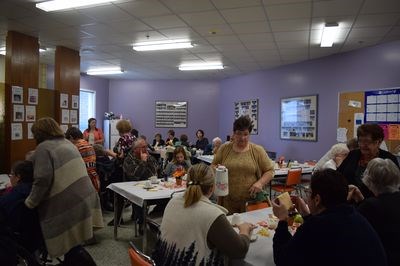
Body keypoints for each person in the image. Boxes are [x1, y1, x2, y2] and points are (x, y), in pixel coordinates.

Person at [24, 117, 103, 263]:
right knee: (74, 244)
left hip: (69, 200)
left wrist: (30, 202)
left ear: (39, 133)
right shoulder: (67, 143)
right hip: (86, 195)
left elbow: (42, 180)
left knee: (41, 227)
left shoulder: (44, 148)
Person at [272, 169, 388, 266]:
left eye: (308, 192)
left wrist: (282, 220)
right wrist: (307, 215)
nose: (307, 197)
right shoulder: (355, 215)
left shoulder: (316, 226)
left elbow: (282, 259)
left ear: (317, 199)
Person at [153, 163, 255, 265]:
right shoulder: (212, 214)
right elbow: (239, 251)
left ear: (187, 183)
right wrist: (244, 230)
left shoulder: (173, 202)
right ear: (212, 188)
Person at [212, 116, 274, 214]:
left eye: (245, 134)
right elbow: (213, 165)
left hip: (251, 201)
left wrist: (260, 183)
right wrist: (217, 170)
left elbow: (270, 171)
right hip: (227, 200)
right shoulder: (225, 148)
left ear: (249, 134)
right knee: (230, 227)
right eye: (239, 134)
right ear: (233, 133)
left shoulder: (257, 150)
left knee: (250, 227)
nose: (242, 138)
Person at [347, 158, 400, 266]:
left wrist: (345, 203)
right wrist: (361, 200)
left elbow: (349, 228)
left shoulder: (371, 206)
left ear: (369, 179)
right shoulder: (382, 202)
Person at [338, 123, 399, 198]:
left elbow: (395, 186)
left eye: (367, 141)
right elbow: (338, 175)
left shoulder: (388, 159)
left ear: (378, 142)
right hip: (350, 201)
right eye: (360, 141)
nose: (362, 145)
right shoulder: (353, 155)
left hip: (376, 204)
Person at [65, 127, 100, 192]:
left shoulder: (75, 147)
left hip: (82, 180)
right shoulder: (89, 145)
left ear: (71, 137)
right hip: (94, 179)